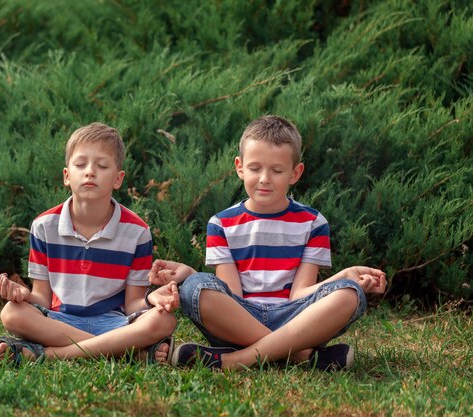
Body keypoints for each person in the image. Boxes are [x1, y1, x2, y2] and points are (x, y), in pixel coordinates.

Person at [149, 115, 386, 371]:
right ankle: (298, 355)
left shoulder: (314, 223)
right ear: (240, 167)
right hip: (241, 319)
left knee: (350, 294)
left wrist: (345, 276)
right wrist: (191, 276)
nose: (264, 178)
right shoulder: (221, 223)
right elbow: (231, 295)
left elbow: (300, 294)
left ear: (295, 173)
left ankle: (236, 359)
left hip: (294, 317)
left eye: (277, 170)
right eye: (255, 168)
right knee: (194, 287)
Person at [0, 122, 179, 366]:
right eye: (80, 165)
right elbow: (43, 298)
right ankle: (124, 353)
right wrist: (24, 295)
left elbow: (133, 303)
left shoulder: (137, 232)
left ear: (118, 179)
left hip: (114, 322)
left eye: (102, 166)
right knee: (11, 313)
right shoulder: (44, 226)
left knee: (164, 321)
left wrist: (153, 301)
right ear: (67, 176)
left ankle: (45, 354)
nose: (90, 171)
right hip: (61, 319)